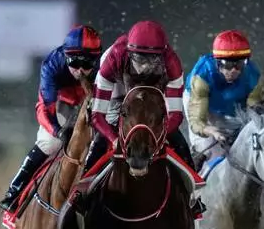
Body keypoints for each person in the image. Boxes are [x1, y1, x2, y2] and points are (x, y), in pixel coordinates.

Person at [80, 19, 203, 215]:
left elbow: (175, 116)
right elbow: (97, 116)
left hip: (154, 91)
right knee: (103, 136)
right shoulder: (113, 59)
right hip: (118, 87)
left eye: (152, 60)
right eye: (139, 58)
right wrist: (113, 139)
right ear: (129, 53)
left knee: (177, 140)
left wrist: (158, 137)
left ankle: (193, 195)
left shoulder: (172, 63)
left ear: (162, 56)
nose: (145, 66)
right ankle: (82, 190)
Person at [184, 29, 264, 229]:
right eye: (227, 65)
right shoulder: (202, 76)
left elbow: (253, 113)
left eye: (238, 65)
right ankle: (190, 207)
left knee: (254, 156)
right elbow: (197, 121)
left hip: (234, 110)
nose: (233, 71)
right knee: (206, 153)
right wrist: (210, 131)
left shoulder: (254, 77)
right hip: (204, 112)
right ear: (217, 62)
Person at [0, 24, 103, 211]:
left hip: (92, 100)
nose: (80, 70)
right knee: (50, 142)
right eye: (74, 63)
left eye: (86, 64)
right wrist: (58, 131)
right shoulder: (52, 65)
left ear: (95, 60)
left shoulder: (104, 67)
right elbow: (44, 110)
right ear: (65, 56)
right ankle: (15, 190)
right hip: (63, 102)